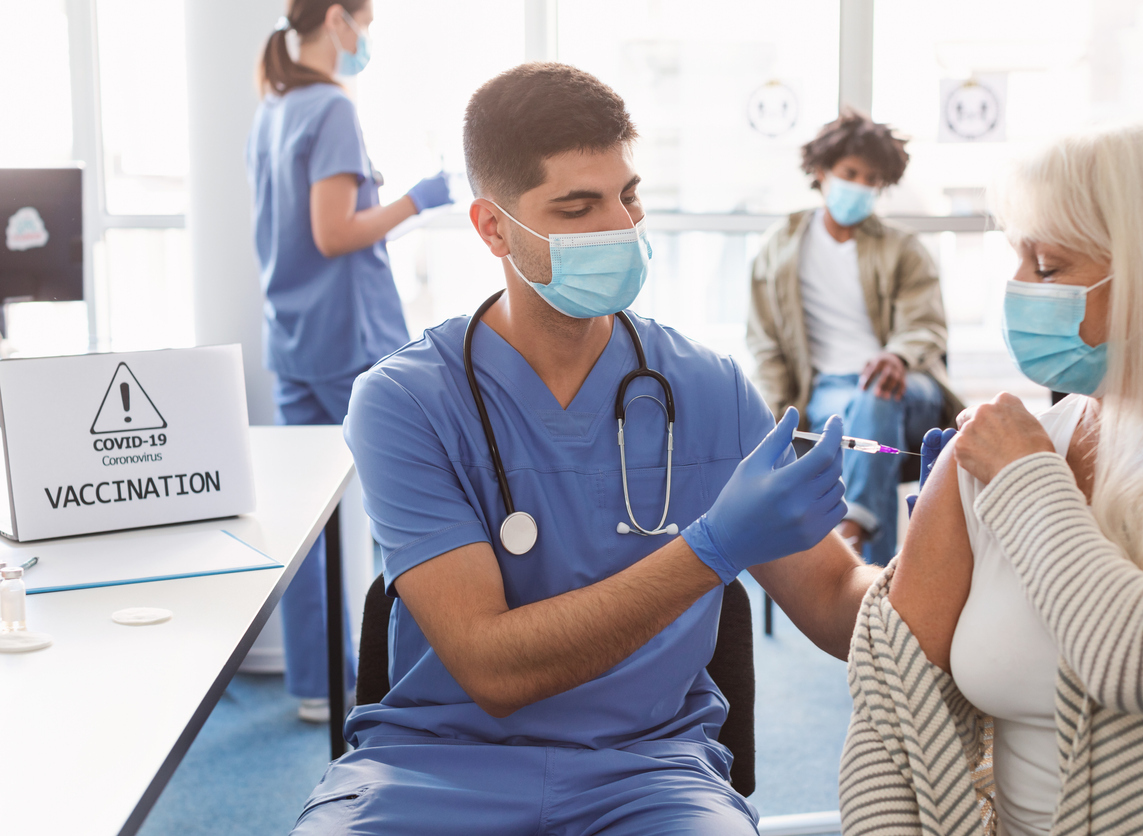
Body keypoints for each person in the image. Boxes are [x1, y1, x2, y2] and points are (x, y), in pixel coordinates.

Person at [290, 63, 882, 835]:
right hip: (430, 770)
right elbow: (493, 669)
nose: (619, 227)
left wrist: (954, 532)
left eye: (627, 195)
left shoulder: (707, 389)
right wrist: (713, 547)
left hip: (652, 772)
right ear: (492, 227)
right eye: (577, 207)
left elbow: (839, 605)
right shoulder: (404, 402)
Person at [840, 121, 1143, 835]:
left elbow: (1141, 662)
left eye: (1051, 267)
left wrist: (1029, 480)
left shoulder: (1021, 462)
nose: (1019, 290)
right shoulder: (998, 453)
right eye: (1018, 260)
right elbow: (890, 705)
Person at [247, 0, 453, 723]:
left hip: (295, 337)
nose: (365, 39)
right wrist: (416, 201)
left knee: (306, 515)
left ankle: (318, 682)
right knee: (415, 505)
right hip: (348, 338)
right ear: (338, 18)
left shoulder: (273, 104)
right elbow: (335, 233)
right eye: (365, 22)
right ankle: (423, 678)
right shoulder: (329, 107)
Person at [748, 109, 963, 565]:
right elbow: (765, 344)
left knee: (879, 391)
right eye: (850, 173)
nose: (859, 186)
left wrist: (897, 357)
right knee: (864, 418)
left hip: (910, 388)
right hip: (827, 393)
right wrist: (770, 421)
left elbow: (926, 326)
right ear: (821, 171)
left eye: (872, 179)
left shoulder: (902, 249)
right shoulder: (779, 249)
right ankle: (880, 575)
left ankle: (854, 528)